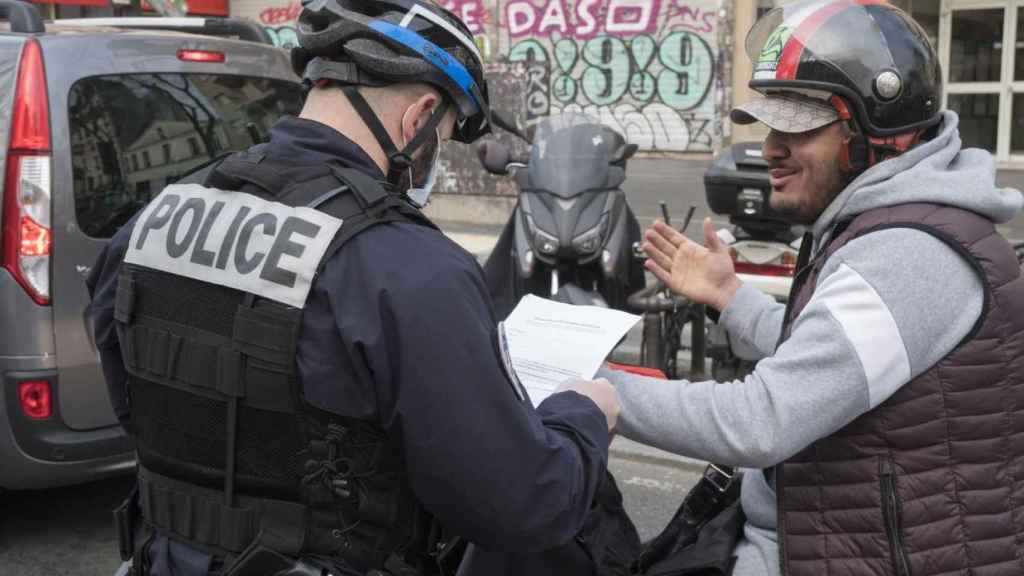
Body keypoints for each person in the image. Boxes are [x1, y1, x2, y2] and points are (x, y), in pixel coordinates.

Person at [86, 1, 620, 574]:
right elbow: (521, 504)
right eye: (441, 136)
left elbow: (132, 391)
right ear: (418, 119)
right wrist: (584, 415)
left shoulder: (157, 219)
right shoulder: (408, 266)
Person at [579, 1, 1024, 575]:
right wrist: (731, 297)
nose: (769, 149)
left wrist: (591, 388)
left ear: (877, 130)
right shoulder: (887, 221)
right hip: (822, 534)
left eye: (797, 126)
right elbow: (824, 355)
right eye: (770, 126)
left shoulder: (910, 253)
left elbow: (763, 418)